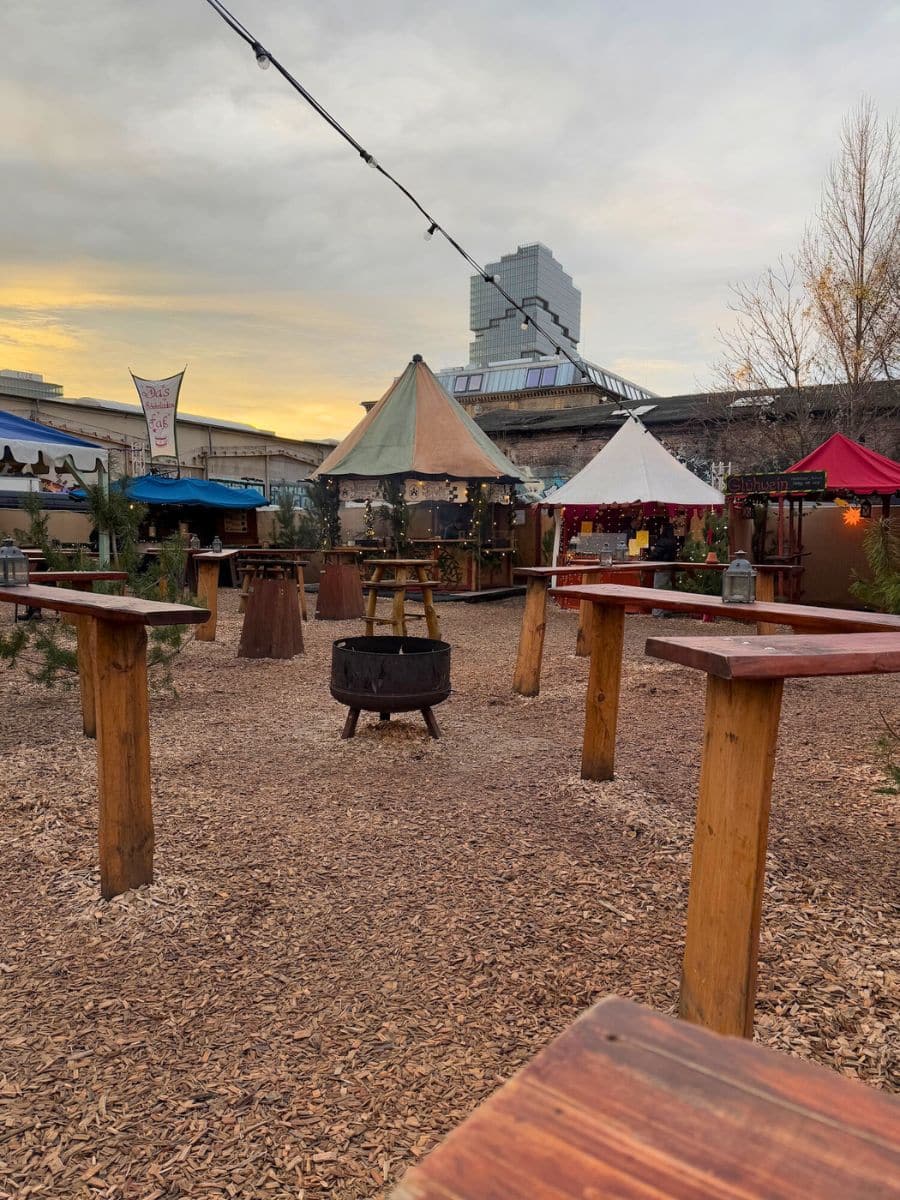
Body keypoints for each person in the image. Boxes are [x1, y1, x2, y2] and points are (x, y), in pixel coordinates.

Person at [649, 523, 678, 617]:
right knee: (667, 589)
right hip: (669, 567)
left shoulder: (662, 541)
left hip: (661, 567)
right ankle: (666, 610)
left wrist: (652, 551)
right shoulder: (673, 541)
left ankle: (658, 612)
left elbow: (656, 554)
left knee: (658, 589)